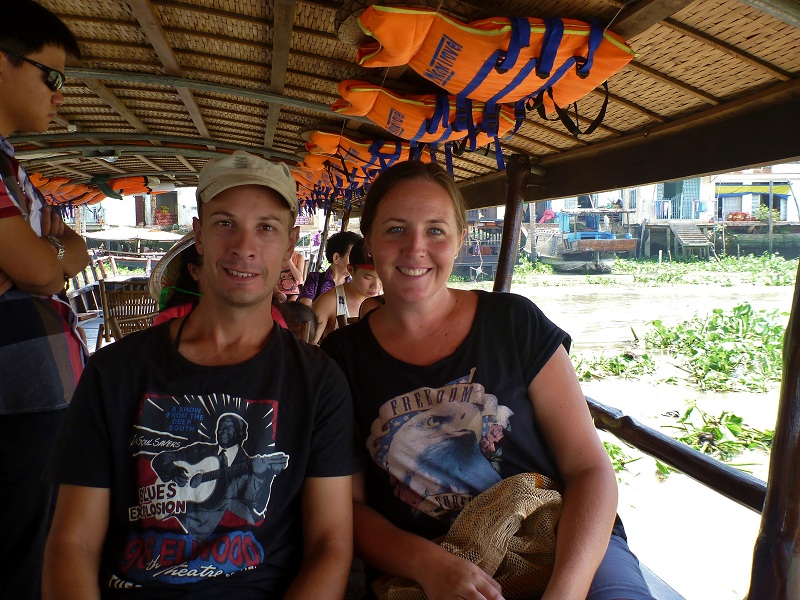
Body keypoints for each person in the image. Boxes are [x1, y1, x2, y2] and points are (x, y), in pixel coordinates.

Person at [321, 161, 654, 600]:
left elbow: (589, 469)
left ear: (460, 239)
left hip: (562, 539)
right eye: (396, 229)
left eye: (436, 231)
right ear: (371, 243)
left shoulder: (515, 323)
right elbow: (351, 507)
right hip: (432, 564)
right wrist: (430, 565)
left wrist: (565, 592)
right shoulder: (341, 359)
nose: (415, 248)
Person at [44, 150, 358, 599]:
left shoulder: (317, 382)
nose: (243, 247)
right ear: (199, 236)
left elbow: (330, 545)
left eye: (265, 228)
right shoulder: (115, 372)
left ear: (290, 245)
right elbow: (72, 544)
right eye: (225, 223)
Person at [0, 4, 89, 599]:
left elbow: (52, 252)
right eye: (50, 76)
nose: (60, 95)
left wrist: (47, 261)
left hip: (31, 393)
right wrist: (51, 262)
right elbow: (41, 266)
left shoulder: (11, 169)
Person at [310, 237, 381, 345]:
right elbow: (308, 346)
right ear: (350, 270)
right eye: (368, 277)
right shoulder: (329, 301)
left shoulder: (388, 301)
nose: (376, 286)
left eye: (382, 278)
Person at [297, 230, 360, 306]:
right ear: (336, 258)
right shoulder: (315, 279)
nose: (356, 261)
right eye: (352, 256)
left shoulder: (355, 285)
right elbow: (306, 310)